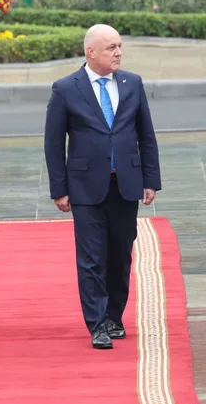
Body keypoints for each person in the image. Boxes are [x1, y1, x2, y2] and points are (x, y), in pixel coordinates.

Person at [43, 24, 161, 349]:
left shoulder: (132, 83)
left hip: (125, 182)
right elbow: (53, 144)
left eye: (120, 46)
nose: (118, 53)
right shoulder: (66, 88)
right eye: (110, 48)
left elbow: (145, 135)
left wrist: (151, 180)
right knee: (91, 256)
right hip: (84, 186)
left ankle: (113, 315)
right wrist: (59, 189)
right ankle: (96, 323)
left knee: (121, 254)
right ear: (90, 52)